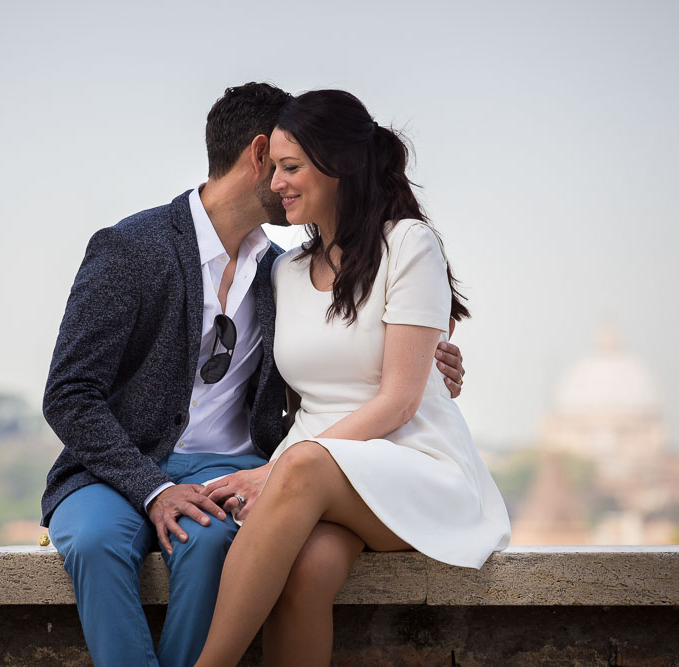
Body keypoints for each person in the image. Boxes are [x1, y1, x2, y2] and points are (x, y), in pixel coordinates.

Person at [39, 83, 470, 667]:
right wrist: (154, 488)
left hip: (236, 468)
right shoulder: (132, 249)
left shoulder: (278, 269)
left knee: (211, 541)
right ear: (261, 154)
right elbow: (68, 395)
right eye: (286, 164)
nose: (289, 182)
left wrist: (432, 365)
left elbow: (351, 356)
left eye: (301, 165)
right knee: (93, 543)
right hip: (121, 468)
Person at [195, 90, 511, 667]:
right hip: (317, 475)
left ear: (338, 165)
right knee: (306, 574)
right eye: (274, 169)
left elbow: (398, 401)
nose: (277, 184)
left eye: (291, 168)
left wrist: (275, 470)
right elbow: (277, 383)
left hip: (413, 462)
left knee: (305, 464)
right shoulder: (283, 270)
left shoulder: (409, 245)